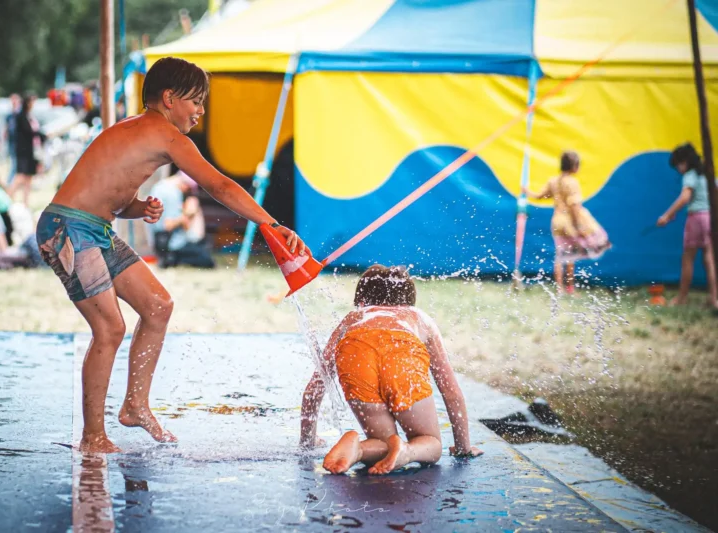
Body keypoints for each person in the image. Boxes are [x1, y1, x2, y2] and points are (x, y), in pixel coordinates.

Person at [36, 56, 308, 454]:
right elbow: (220, 186)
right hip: (69, 229)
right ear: (169, 98)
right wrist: (272, 224)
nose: (201, 111)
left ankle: (135, 406)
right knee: (110, 329)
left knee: (158, 305)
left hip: (91, 228)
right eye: (196, 102)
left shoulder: (135, 130)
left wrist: (136, 207)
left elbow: (104, 189)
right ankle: (92, 436)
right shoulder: (168, 137)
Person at [299, 265, 482, 475]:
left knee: (382, 442)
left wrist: (308, 442)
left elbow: (315, 387)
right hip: (401, 355)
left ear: (361, 299)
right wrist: (462, 448)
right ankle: (408, 450)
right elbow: (451, 392)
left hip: (356, 355)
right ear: (409, 298)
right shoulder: (418, 318)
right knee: (431, 444)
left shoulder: (352, 319)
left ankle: (358, 449)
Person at [523, 151, 611, 295]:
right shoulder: (572, 182)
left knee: (561, 254)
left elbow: (540, 196)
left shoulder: (554, 181)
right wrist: (580, 225)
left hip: (557, 221)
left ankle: (559, 288)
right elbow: (574, 206)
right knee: (572, 255)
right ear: (574, 166)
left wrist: (527, 191)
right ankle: (570, 287)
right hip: (569, 221)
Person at [657, 143, 718, 309]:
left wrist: (667, 215)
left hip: (696, 219)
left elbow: (685, 197)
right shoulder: (707, 174)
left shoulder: (690, 175)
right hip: (710, 218)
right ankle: (714, 298)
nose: (678, 169)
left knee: (688, 258)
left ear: (684, 161)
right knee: (709, 258)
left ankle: (682, 298)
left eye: (678, 165)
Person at [149, 170, 215, 268]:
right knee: (207, 260)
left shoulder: (158, 187)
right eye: (188, 189)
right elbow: (168, 225)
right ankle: (170, 260)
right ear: (185, 184)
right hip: (172, 245)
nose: (186, 192)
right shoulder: (173, 193)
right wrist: (189, 214)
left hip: (158, 241)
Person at [8, 93, 46, 205]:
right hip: (24, 151)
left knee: (28, 177)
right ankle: (8, 197)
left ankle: (26, 202)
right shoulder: (21, 116)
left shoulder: (29, 116)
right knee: (20, 176)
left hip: (31, 151)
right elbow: (27, 132)